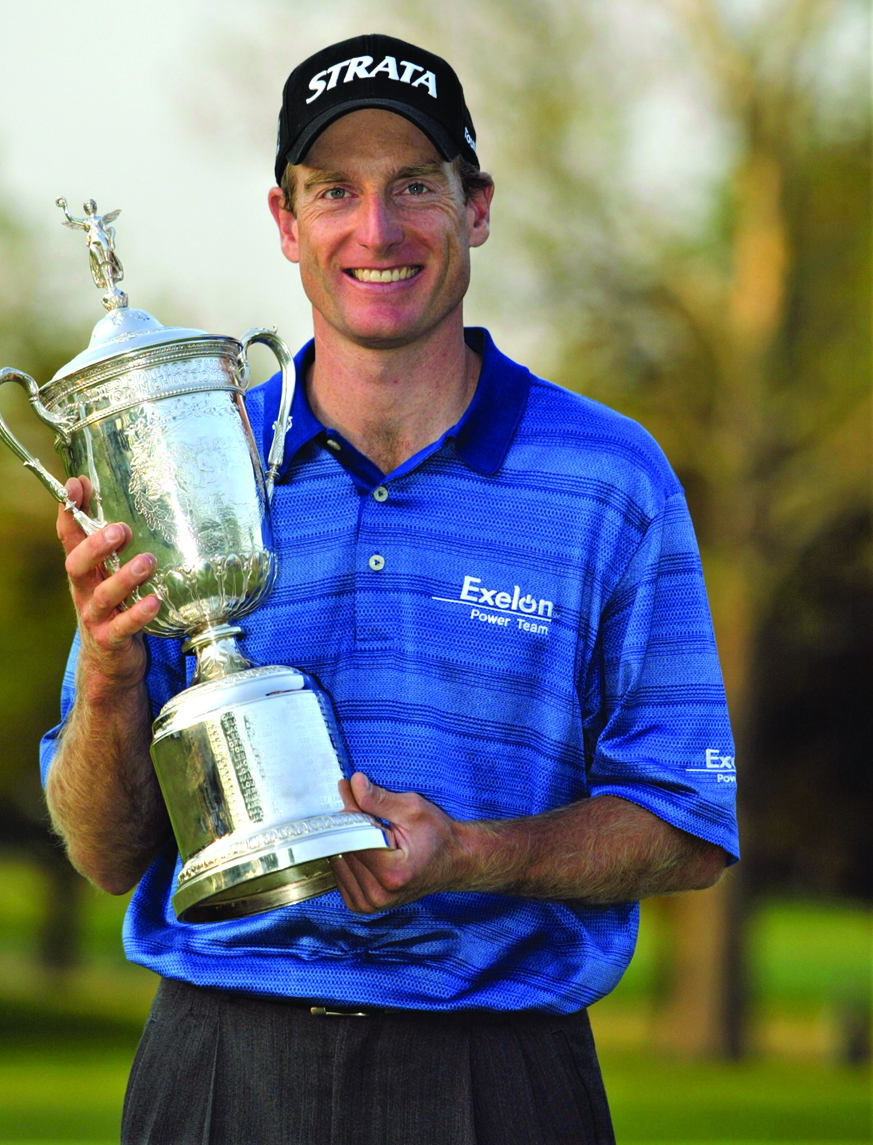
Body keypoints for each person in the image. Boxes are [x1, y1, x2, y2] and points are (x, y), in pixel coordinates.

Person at [42, 34, 739, 1145]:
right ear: (286, 221)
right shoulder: (187, 465)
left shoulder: (610, 476)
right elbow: (104, 850)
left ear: (478, 207)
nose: (377, 230)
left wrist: (474, 852)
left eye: (416, 185)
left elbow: (686, 825)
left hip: (500, 1078)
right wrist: (114, 673)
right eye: (336, 191)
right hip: (222, 1070)